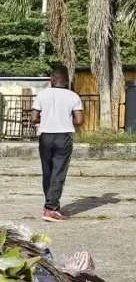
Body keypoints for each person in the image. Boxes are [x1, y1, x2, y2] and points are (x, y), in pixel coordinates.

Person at [31, 65, 84, 222]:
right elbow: (80, 121)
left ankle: (49, 204)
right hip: (63, 137)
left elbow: (34, 118)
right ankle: (51, 209)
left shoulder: (42, 95)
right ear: (66, 81)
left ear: (52, 79)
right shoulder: (73, 96)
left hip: (45, 136)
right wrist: (65, 120)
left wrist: (47, 118)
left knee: (47, 171)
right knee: (59, 172)